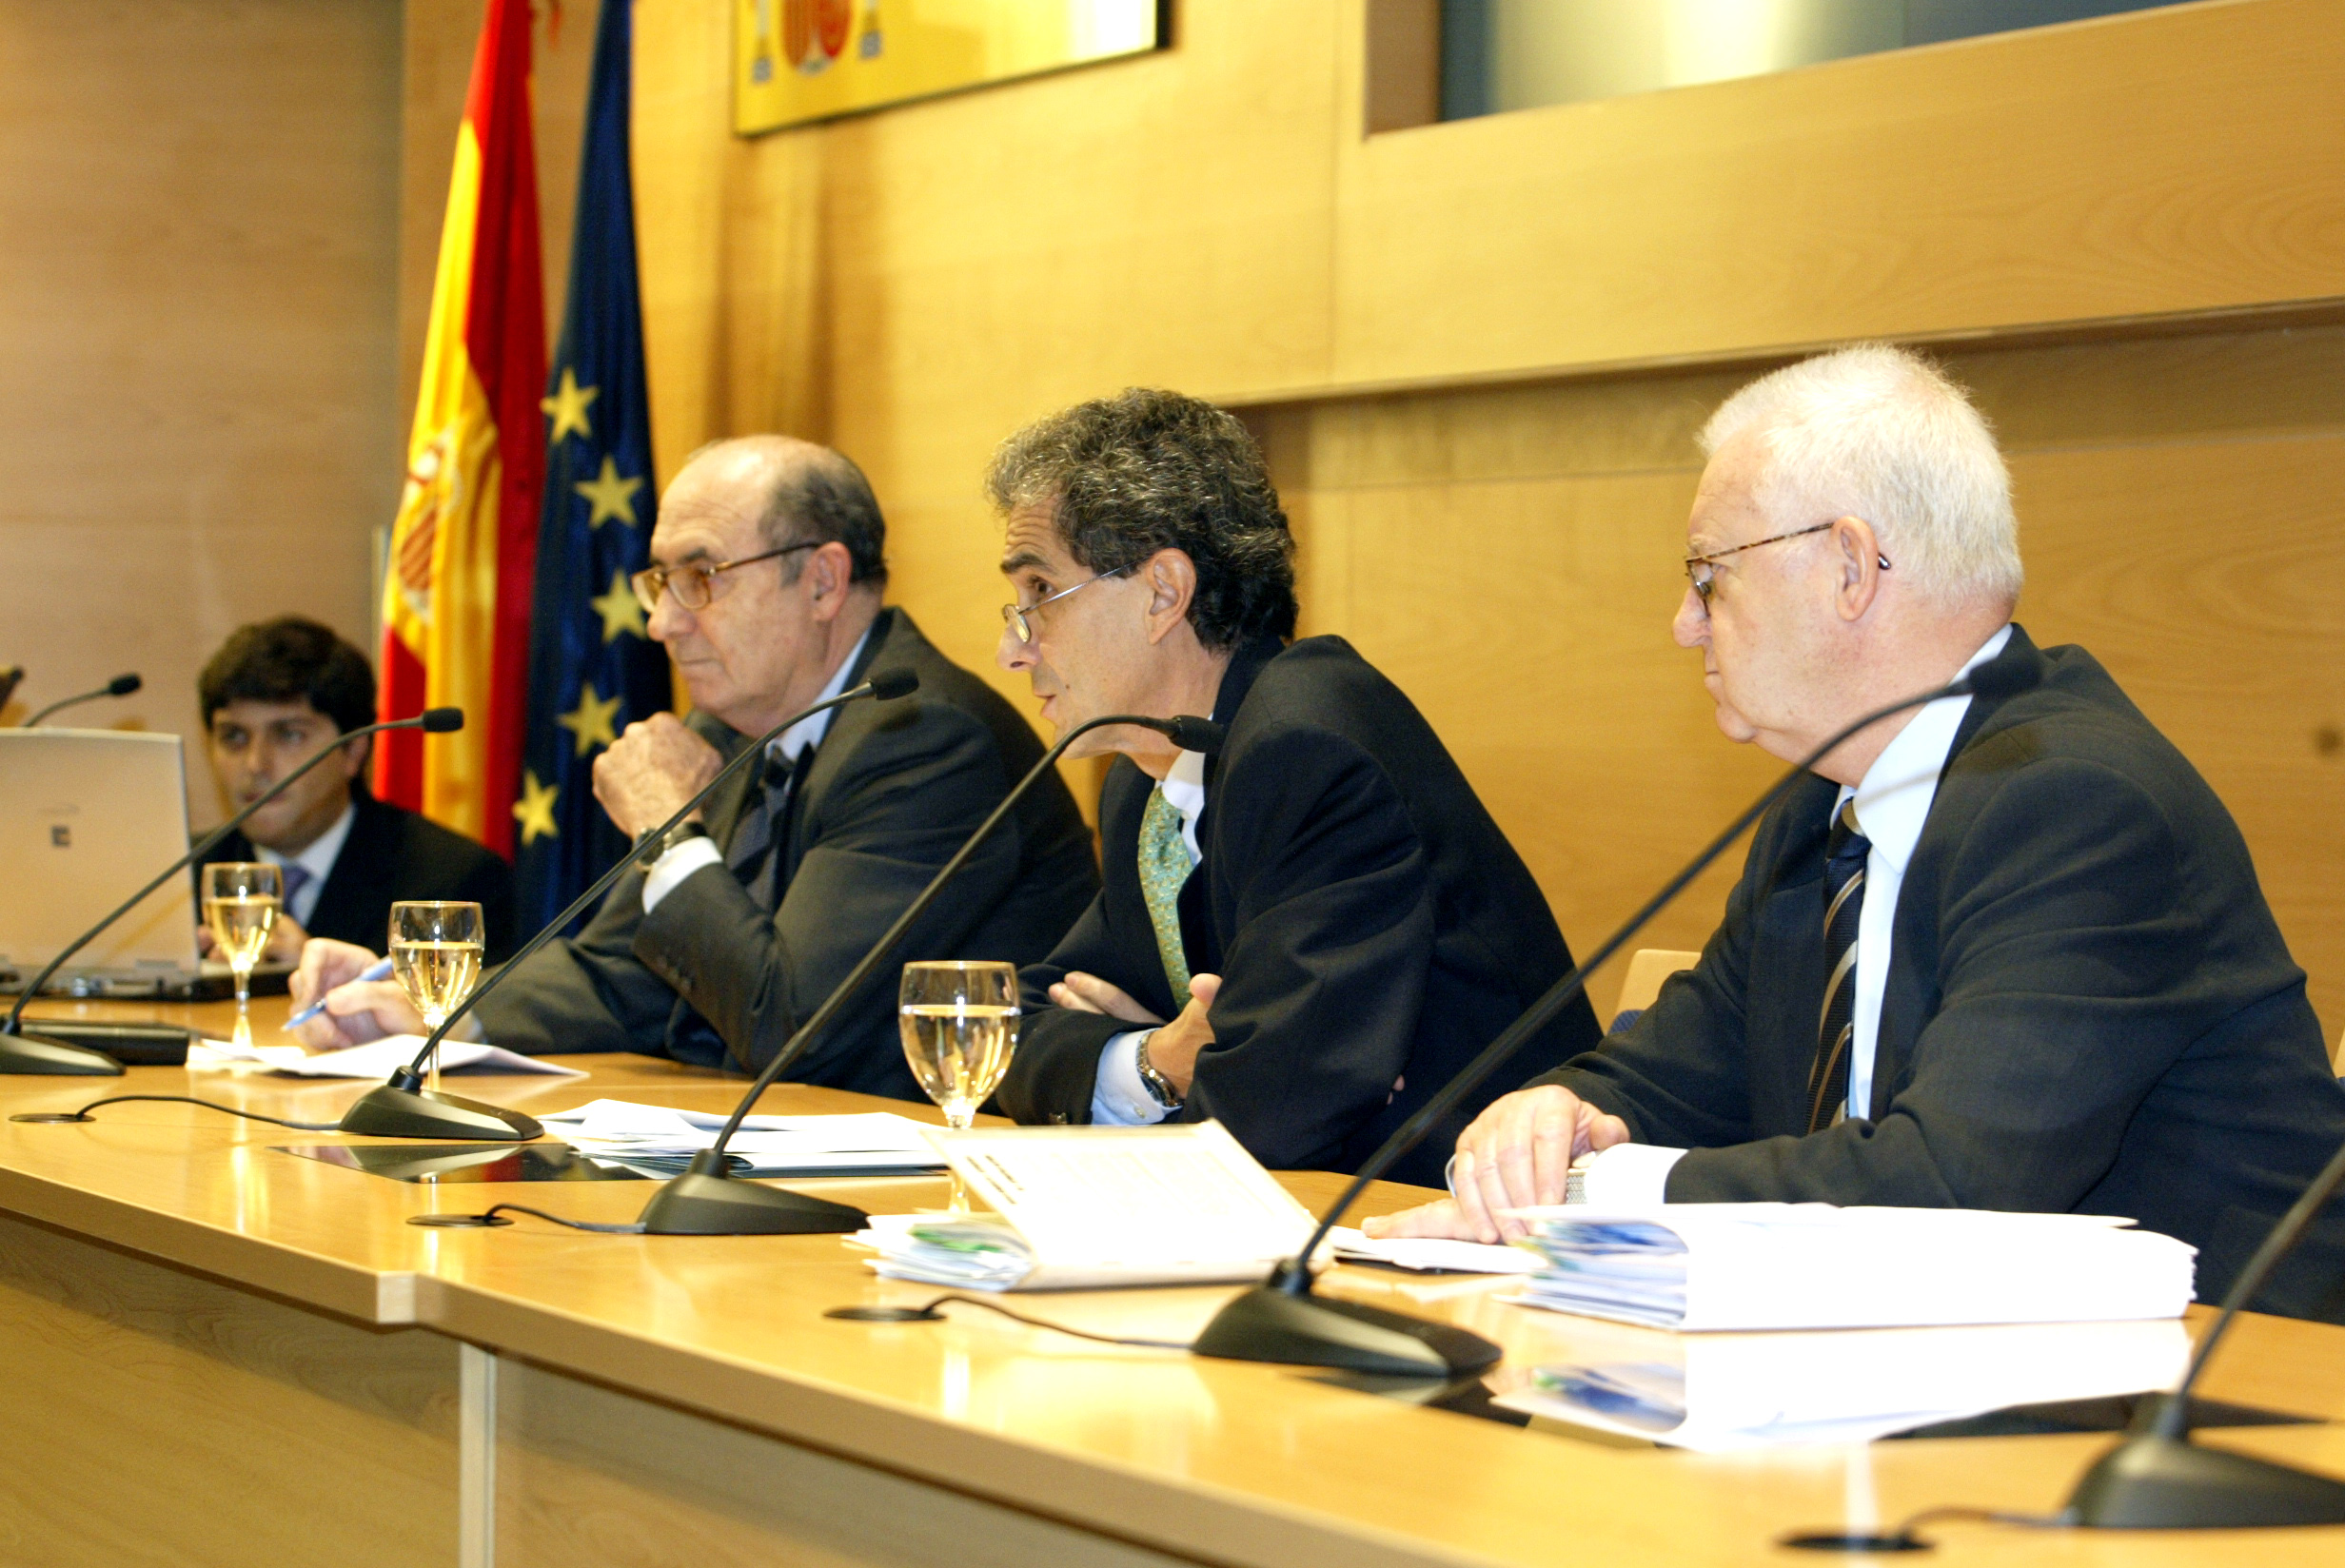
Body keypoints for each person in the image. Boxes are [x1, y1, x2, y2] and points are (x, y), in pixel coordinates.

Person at [1368, 344, 2345, 1319]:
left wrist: (1601, 1193)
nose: (1682, 623)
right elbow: (1676, 1076)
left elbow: (1949, 1187)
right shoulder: (1822, 809)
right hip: (1945, 1374)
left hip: (2231, 1408)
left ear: (1848, 564)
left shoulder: (2079, 806)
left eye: (1708, 574)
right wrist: (1548, 1122)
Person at [294, 436, 1099, 1102]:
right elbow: (619, 973)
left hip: (922, 1183)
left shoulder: (925, 740)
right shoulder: (731, 727)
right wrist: (430, 1007)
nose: (659, 622)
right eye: (658, 581)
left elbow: (789, 1025)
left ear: (822, 581)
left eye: (699, 579)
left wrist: (669, 833)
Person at [987, 388, 1602, 1186]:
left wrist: (1180, 1068)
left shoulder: (1308, 745)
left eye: (1041, 595)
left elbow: (1273, 1110)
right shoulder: (1150, 777)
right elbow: (1012, 1034)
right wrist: (1157, 1061)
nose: (1012, 647)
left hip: (1474, 1240)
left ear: (1163, 594)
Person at [196, 617, 516, 964]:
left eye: (288, 735)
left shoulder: (451, 882)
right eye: (234, 737)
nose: (255, 764)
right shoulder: (180, 880)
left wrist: (322, 976)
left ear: (354, 751)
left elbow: (471, 1015)